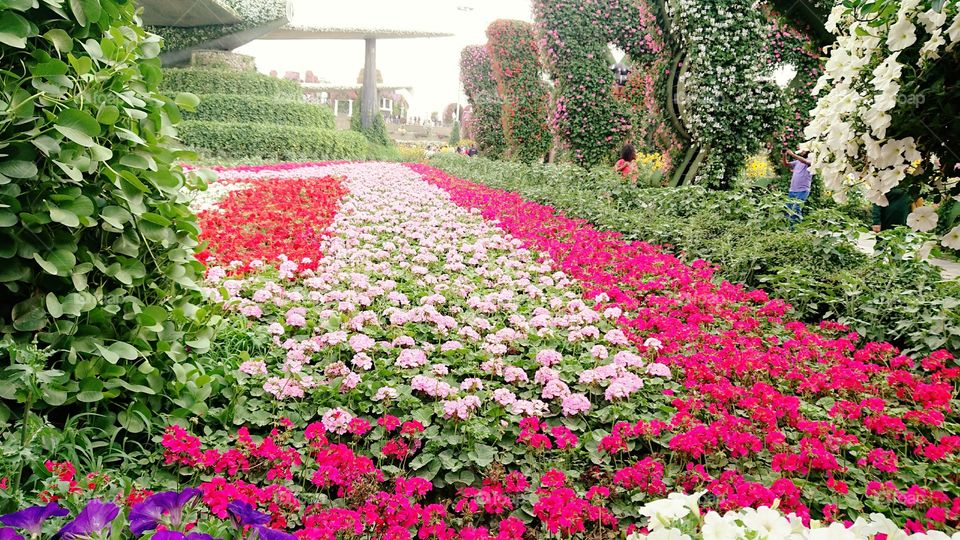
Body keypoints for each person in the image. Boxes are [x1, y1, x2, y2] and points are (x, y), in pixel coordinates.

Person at [782, 148, 812, 225]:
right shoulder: (797, 162)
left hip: (803, 190)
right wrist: (784, 155)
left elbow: (805, 161)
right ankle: (788, 229)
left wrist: (792, 154)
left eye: (803, 150)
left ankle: (796, 229)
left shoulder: (811, 159)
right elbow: (786, 164)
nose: (802, 152)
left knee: (796, 208)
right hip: (793, 190)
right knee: (788, 209)